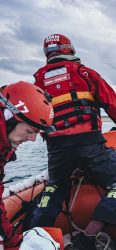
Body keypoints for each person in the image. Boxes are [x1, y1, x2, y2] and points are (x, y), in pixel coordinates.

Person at [30, 34, 116, 249]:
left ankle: (33, 234)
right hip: (90, 144)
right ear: (70, 49)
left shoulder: (39, 79)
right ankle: (90, 234)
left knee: (55, 186)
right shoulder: (85, 73)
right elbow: (112, 103)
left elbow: (37, 115)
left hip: (56, 147)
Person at [0, 81, 53, 248]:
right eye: (30, 131)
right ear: (9, 118)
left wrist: (11, 240)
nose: (32, 139)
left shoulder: (4, 146)